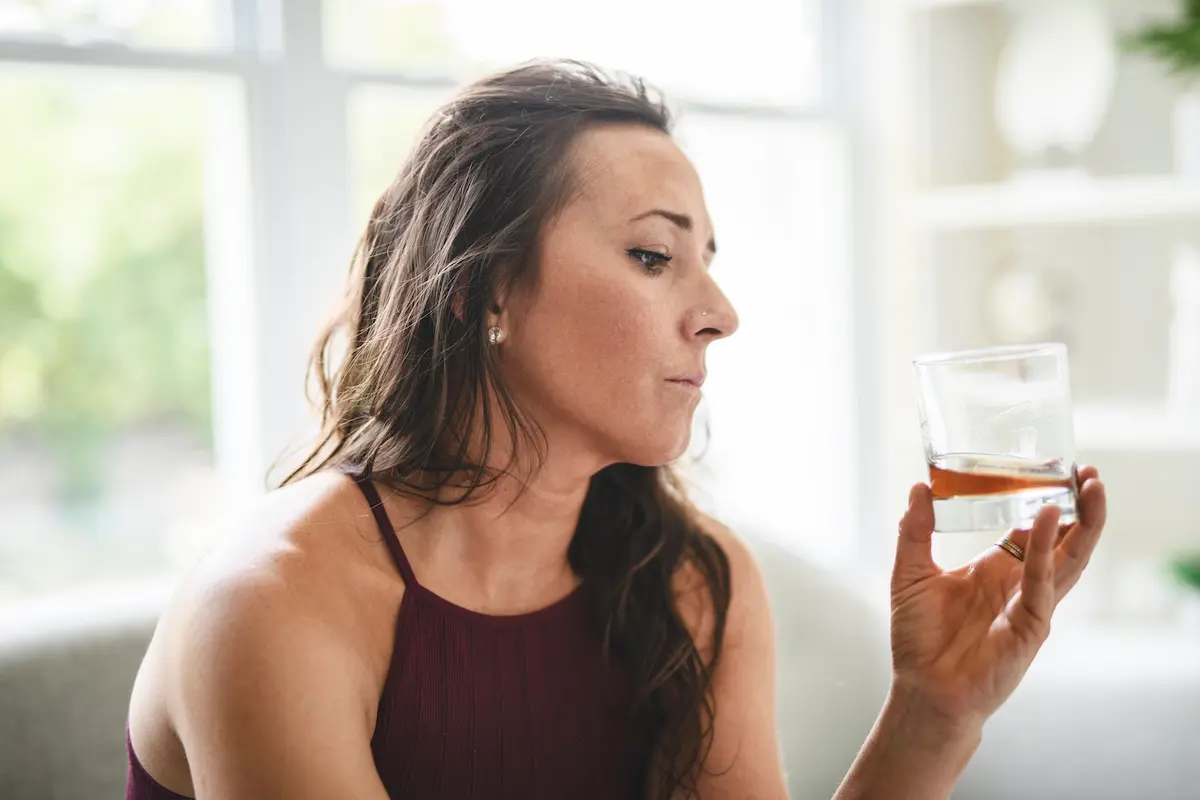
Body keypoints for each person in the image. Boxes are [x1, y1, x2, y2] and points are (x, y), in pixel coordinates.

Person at [125, 60, 1108, 800]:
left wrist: (931, 715)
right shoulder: (272, 606)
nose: (720, 310)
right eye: (652, 254)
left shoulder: (693, 579)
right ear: (479, 287)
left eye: (706, 258)